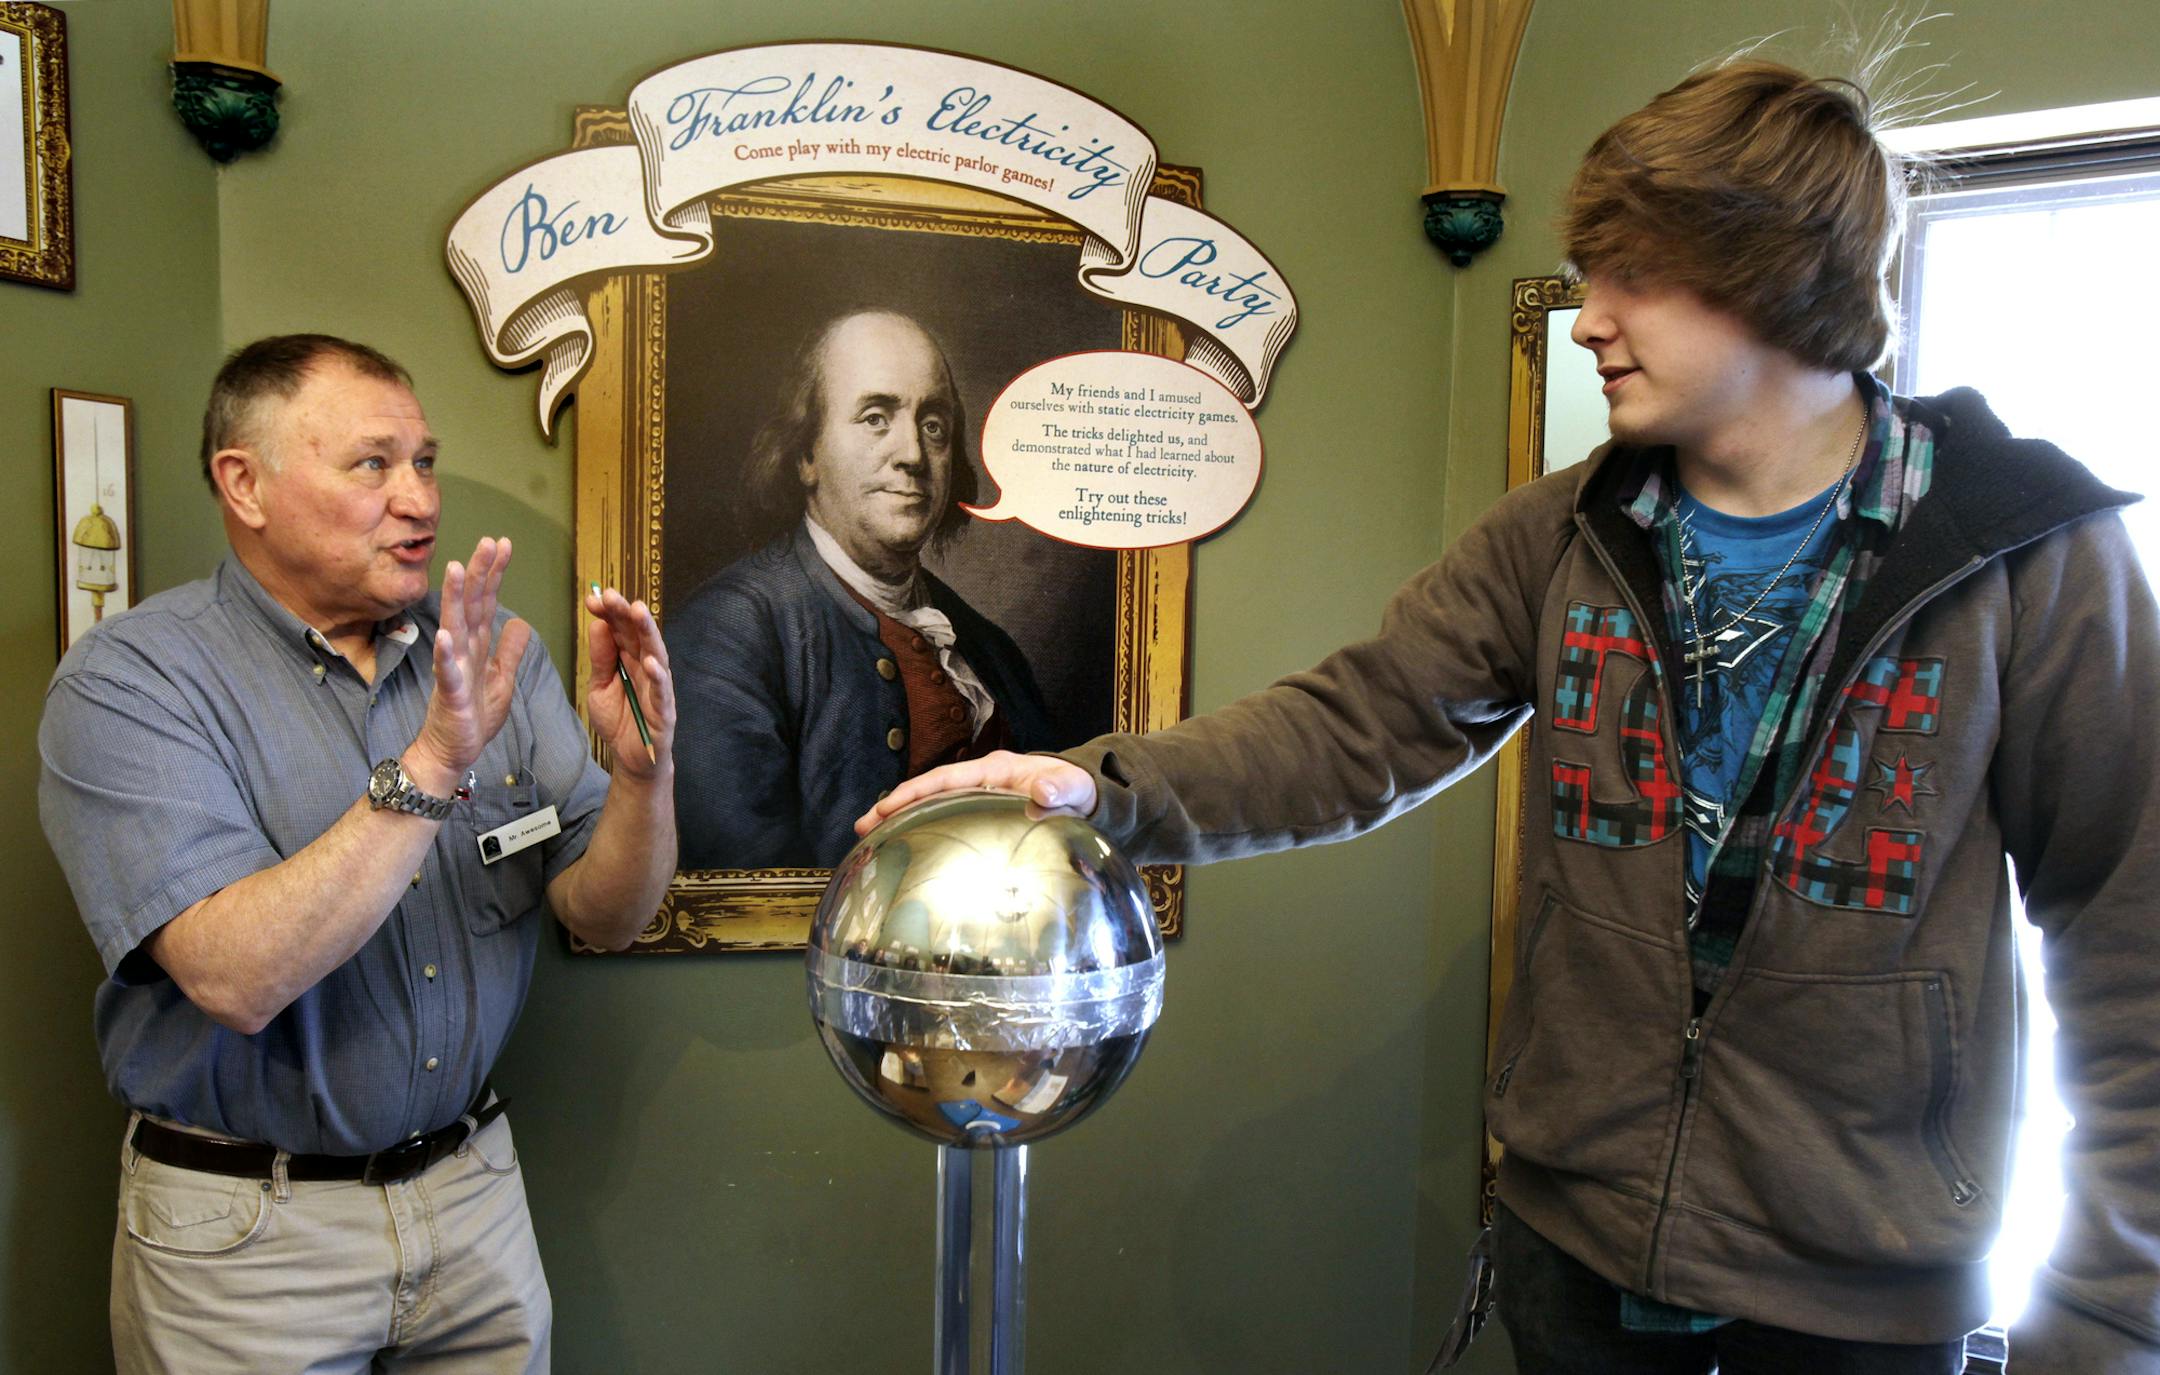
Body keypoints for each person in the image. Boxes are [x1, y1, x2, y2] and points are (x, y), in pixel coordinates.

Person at [862, 60, 2160, 1375]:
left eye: (1630, 275)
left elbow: (2133, 942)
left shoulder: (2027, 558)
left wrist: (2109, 1316)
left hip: (1864, 1295)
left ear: (1774, 272)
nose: (1588, 318)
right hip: (1572, 1256)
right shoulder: (1558, 534)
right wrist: (1099, 790)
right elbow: (1359, 724)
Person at [38, 334, 678, 1373]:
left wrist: (646, 777)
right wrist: (434, 760)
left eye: (422, 461)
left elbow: (603, 914)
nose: (421, 499)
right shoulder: (131, 682)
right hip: (250, 1242)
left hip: (471, 1198)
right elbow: (234, 976)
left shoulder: (492, 650)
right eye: (373, 464)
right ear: (244, 484)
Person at [669, 308, 1050, 870]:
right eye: (875, 418)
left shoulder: (990, 651)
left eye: (934, 425)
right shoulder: (725, 634)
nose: (913, 456)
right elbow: (745, 880)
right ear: (806, 455)